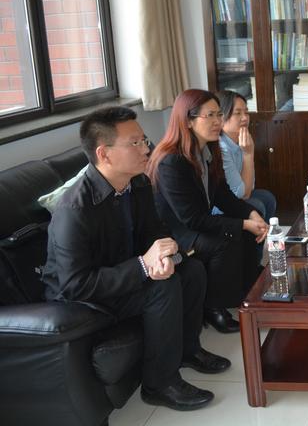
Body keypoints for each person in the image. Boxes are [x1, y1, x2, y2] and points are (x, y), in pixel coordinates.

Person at [42, 107, 230, 411]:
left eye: (144, 140)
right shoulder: (74, 210)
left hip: (121, 273)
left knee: (191, 270)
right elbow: (75, 284)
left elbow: (155, 232)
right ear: (104, 154)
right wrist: (144, 265)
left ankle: (188, 350)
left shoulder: (137, 183)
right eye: (135, 143)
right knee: (162, 288)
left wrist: (165, 256)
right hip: (85, 298)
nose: (146, 149)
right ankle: (159, 384)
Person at [147, 90, 268, 334]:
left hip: (196, 221)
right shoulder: (172, 161)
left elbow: (223, 195)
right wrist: (242, 224)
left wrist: (251, 214)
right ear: (188, 121)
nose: (217, 121)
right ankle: (214, 308)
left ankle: (244, 292)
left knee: (246, 226)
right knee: (224, 240)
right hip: (175, 232)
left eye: (219, 115)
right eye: (209, 115)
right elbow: (191, 219)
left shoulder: (206, 151)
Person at [215, 90, 277, 227]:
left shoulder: (239, 141)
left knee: (267, 198)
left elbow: (250, 187)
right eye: (237, 113)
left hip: (237, 197)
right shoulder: (222, 148)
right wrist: (248, 154)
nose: (245, 118)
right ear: (221, 117)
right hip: (219, 207)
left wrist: (247, 152)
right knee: (256, 205)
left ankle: (265, 237)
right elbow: (241, 194)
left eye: (246, 112)